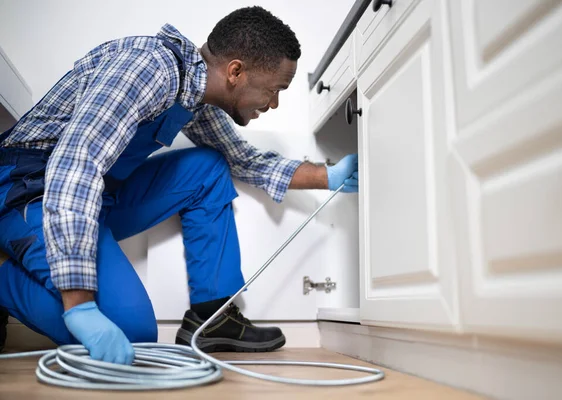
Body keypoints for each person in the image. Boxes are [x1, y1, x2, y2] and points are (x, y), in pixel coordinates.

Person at [0, 7, 358, 363]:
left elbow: (242, 160)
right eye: (274, 90)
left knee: (208, 168)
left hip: (97, 195)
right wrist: (79, 305)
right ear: (235, 72)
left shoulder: (194, 97)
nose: (274, 103)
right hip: (29, 189)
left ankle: (212, 317)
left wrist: (329, 176)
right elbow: (76, 167)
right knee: (134, 335)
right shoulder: (146, 69)